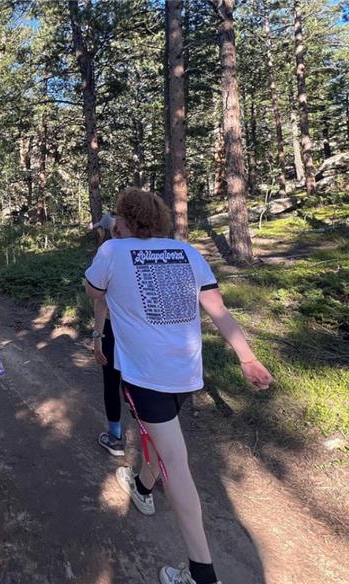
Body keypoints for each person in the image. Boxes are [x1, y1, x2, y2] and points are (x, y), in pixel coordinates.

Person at [84, 188, 273, 584]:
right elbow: (218, 310)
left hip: (145, 375)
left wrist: (113, 249)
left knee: (176, 461)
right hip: (185, 373)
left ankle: (201, 572)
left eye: (118, 217)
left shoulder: (111, 253)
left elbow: (94, 294)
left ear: (124, 220)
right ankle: (141, 486)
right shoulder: (186, 252)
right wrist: (246, 356)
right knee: (162, 438)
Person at [90, 212, 125, 456]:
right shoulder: (137, 252)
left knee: (111, 383)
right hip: (138, 331)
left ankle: (116, 437)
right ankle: (152, 442)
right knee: (138, 386)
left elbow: (99, 301)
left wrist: (97, 337)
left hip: (112, 328)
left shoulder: (106, 254)